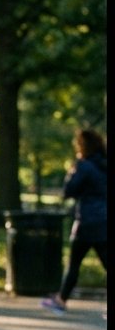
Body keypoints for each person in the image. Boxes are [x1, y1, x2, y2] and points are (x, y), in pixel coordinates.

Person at [41, 128, 107, 315]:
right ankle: (61, 299)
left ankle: (61, 301)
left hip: (87, 221)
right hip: (104, 220)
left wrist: (72, 171)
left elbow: (69, 190)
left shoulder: (84, 166)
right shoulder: (104, 165)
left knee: (74, 263)